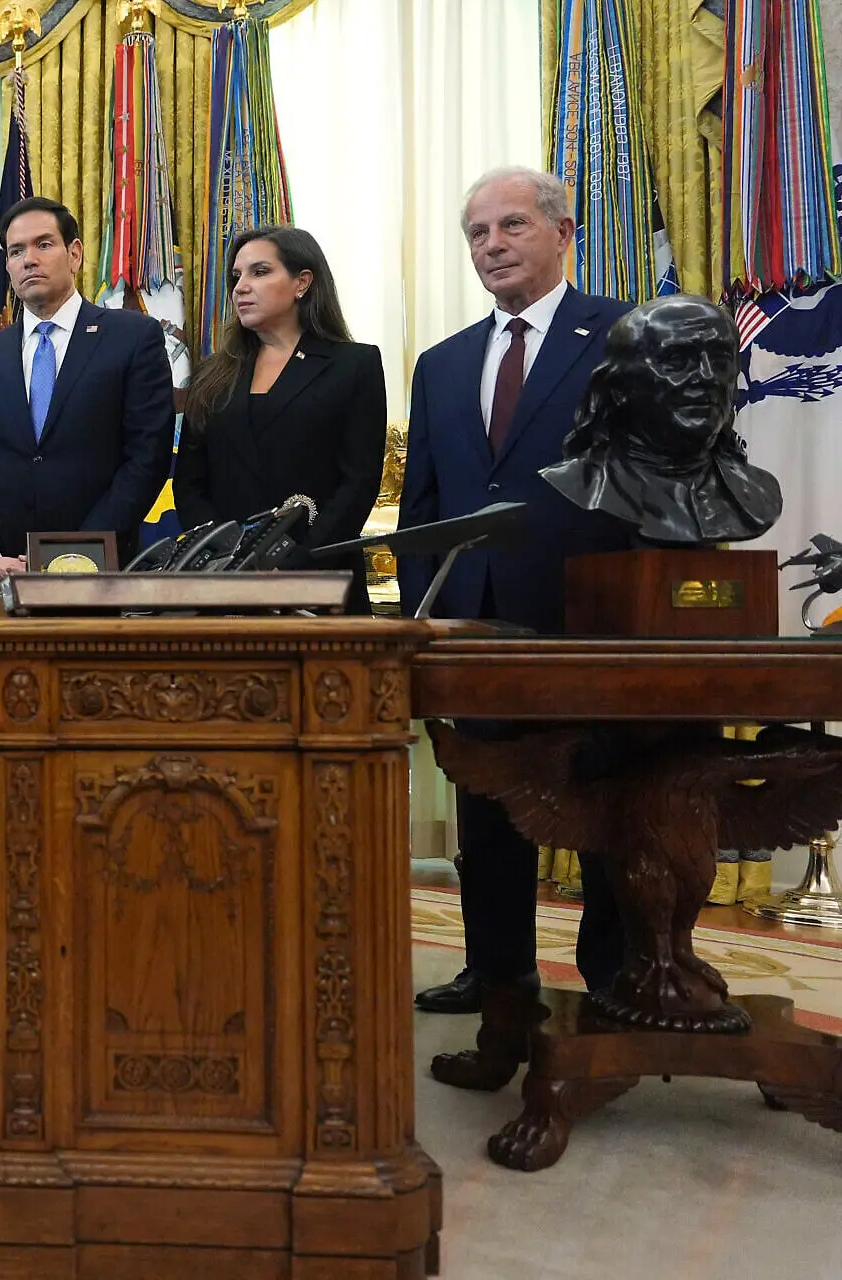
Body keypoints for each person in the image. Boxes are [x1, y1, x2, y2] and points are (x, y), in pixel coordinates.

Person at [398, 167, 633, 1018]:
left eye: (511, 227)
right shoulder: (443, 363)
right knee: (489, 803)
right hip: (477, 625)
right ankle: (498, 971)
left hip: (589, 615)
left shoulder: (622, 334)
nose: (491, 246)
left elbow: (647, 478)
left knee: (605, 802)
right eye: (476, 234)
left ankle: (612, 975)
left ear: (563, 232)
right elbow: (424, 501)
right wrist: (426, 617)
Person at [0, 196, 172, 601]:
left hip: (102, 580)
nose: (29, 259)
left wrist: (77, 555)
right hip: (4, 585)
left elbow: (146, 459)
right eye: (16, 251)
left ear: (75, 254)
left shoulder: (133, 338)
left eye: (43, 245)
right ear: (8, 266)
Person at [173, 225, 385, 611]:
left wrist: (297, 563)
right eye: (237, 276)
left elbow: (358, 482)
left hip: (318, 583)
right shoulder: (212, 373)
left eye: (260, 272)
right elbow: (189, 482)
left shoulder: (354, 365)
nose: (240, 287)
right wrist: (229, 557)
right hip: (224, 588)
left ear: (302, 282)